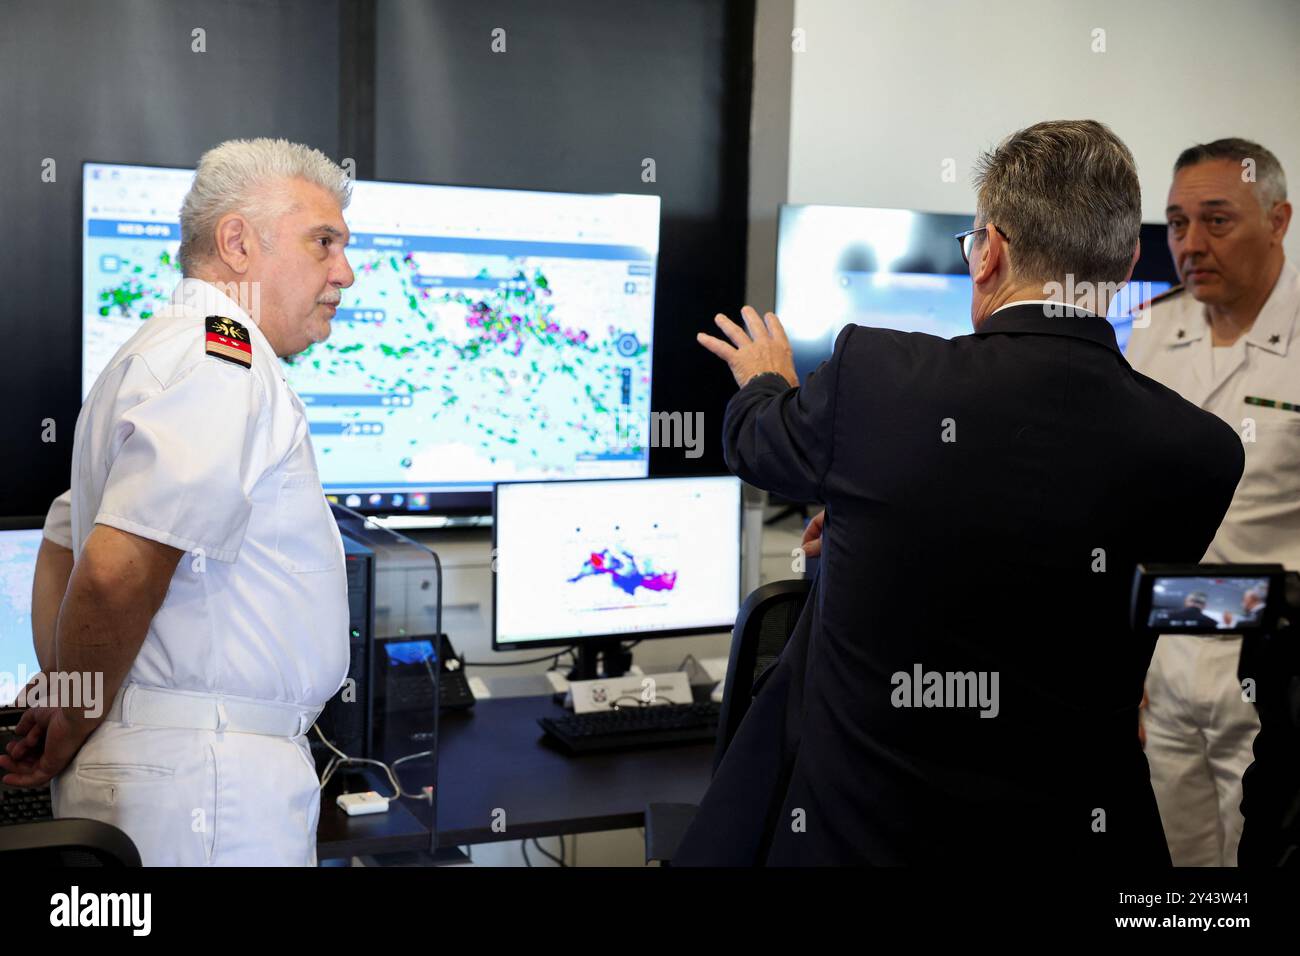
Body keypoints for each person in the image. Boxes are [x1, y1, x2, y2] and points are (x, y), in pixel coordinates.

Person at [682, 120, 1243, 866]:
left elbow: (756, 443)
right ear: (1129, 259)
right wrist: (867, 532)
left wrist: (765, 381)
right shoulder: (1203, 453)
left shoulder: (876, 377)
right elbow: (1045, 571)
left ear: (990, 253)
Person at [0, 138, 356, 866]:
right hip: (210, 789)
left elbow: (62, 541)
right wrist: (73, 713)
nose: (343, 274)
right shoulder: (222, 358)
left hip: (172, 771)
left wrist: (73, 695)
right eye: (323, 243)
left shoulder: (151, 353)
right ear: (237, 242)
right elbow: (111, 571)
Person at [1127, 138, 1298, 867]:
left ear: (1278, 220)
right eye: (1175, 223)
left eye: (1216, 221)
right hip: (1166, 663)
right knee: (1183, 875)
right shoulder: (1152, 330)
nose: (1190, 244)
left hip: (1276, 668)